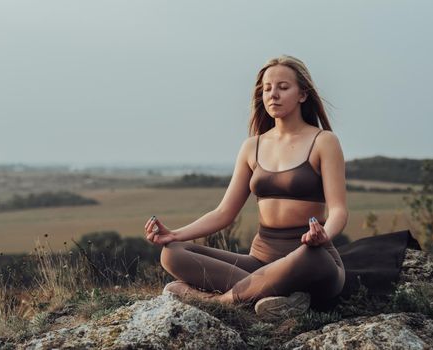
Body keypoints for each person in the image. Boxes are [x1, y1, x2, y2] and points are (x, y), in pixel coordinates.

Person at [144, 55, 347, 318]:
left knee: (314, 258)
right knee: (172, 254)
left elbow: (339, 211)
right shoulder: (252, 146)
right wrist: (174, 234)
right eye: (267, 89)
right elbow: (223, 213)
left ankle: (220, 301)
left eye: (283, 87)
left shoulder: (324, 141)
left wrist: (323, 237)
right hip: (259, 262)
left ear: (303, 94)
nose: (273, 95)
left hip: (308, 258)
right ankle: (274, 296)